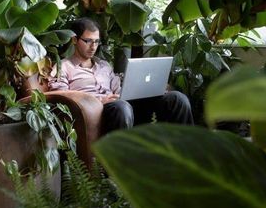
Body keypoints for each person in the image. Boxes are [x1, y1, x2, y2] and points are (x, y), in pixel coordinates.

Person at [48, 17, 194, 133]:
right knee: (121, 106)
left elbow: (119, 91)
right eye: (88, 41)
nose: (93, 47)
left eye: (97, 42)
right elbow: (61, 96)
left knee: (177, 99)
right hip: (101, 112)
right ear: (74, 40)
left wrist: (143, 92)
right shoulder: (64, 67)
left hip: (123, 106)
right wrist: (99, 100)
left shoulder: (104, 66)